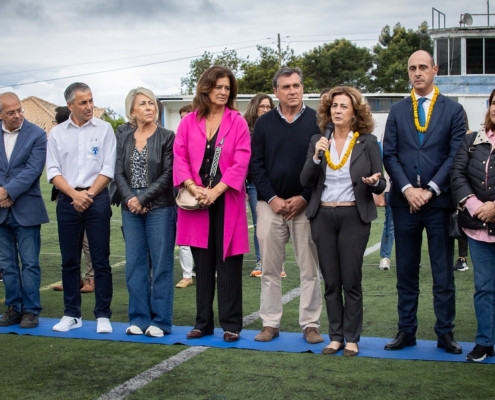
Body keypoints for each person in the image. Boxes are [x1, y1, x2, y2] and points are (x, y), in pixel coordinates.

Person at [382, 50, 465, 353]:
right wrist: (407, 189)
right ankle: (407, 331)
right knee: (406, 271)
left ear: (435, 70)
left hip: (439, 204)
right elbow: (389, 154)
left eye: (423, 68)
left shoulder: (453, 110)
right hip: (404, 205)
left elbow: (455, 155)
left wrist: (429, 190)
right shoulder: (398, 110)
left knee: (442, 272)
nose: (417, 73)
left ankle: (445, 333)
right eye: (412, 68)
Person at [301, 86, 385, 356]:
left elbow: (380, 181)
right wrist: (316, 156)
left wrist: (374, 182)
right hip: (323, 216)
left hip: (353, 216)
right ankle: (335, 336)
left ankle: (351, 338)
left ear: (355, 113)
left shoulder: (367, 142)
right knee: (331, 281)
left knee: (351, 279)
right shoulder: (318, 139)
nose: (337, 110)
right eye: (334, 106)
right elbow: (305, 180)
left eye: (343, 106)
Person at [173, 65, 251, 343]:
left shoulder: (237, 122)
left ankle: (231, 324)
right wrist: (195, 189)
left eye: (227, 88)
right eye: (218, 86)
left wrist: (215, 191)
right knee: (202, 264)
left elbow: (241, 161)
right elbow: (179, 157)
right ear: (206, 88)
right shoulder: (188, 122)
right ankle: (203, 322)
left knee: (228, 262)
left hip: (225, 199)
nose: (223, 92)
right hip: (196, 201)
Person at [250, 67, 323, 344]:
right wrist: (272, 198)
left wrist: (304, 197)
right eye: (286, 87)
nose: (292, 91)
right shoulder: (265, 124)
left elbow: (322, 166)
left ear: (303, 88)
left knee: (309, 269)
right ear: (276, 91)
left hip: (305, 207)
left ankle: (310, 325)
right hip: (271, 206)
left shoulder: (318, 121)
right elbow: (255, 164)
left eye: (297, 85)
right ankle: (270, 323)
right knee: (269, 269)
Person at [46, 82, 116, 334]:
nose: (89, 107)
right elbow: (52, 171)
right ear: (70, 106)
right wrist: (74, 195)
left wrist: (88, 194)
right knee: (69, 261)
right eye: (83, 102)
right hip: (67, 200)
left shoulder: (105, 129)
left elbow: (108, 167)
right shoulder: (57, 133)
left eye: (91, 101)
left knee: (101, 260)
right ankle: (71, 314)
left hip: (96, 199)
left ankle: (103, 316)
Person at [114, 87, 176, 337]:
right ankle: (139, 319)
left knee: (161, 265)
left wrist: (144, 197)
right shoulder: (124, 138)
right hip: (131, 208)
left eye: (152, 103)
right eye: (143, 104)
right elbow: (117, 172)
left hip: (159, 207)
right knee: (135, 265)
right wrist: (131, 199)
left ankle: (160, 322)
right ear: (132, 111)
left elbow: (169, 173)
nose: (150, 107)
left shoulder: (167, 136)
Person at [451, 88, 495, 361]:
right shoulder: (471, 140)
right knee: (484, 288)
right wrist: (478, 208)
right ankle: (484, 342)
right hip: (478, 229)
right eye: (494, 103)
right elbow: (457, 175)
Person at [0, 92, 49, 328]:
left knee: (30, 262)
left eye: (20, 110)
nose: (18, 115)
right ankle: (13, 308)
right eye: (11, 112)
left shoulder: (37, 134)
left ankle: (31, 310)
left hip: (26, 208)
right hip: (0, 209)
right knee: (7, 264)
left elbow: (33, 170)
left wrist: (7, 191)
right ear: (1, 114)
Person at [51, 106, 94, 293]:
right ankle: (74, 279)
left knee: (87, 241)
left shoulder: (93, 133)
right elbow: (54, 170)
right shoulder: (57, 137)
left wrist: (82, 195)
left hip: (87, 195)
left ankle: (91, 278)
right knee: (69, 244)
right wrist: (69, 193)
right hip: (65, 195)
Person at [243, 94, 277, 278]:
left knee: (277, 224)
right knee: (259, 225)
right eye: (261, 106)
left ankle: (276, 263)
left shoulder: (275, 126)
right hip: (254, 183)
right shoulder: (246, 130)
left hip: (274, 182)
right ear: (254, 108)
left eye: (268, 106)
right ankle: (261, 260)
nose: (265, 109)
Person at [176, 104, 195, 289]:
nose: (185, 120)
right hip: (184, 193)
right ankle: (187, 274)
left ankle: (210, 269)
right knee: (184, 239)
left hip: (207, 192)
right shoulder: (178, 139)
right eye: (182, 117)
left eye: (187, 116)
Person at [453, 110, 472, 273]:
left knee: (461, 217)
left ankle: (462, 258)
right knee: (452, 220)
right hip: (447, 181)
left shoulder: (469, 138)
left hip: (462, 183)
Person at [379, 169, 394, 271]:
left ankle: (413, 256)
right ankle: (385, 257)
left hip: (413, 187)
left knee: (412, 224)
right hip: (391, 187)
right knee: (390, 223)